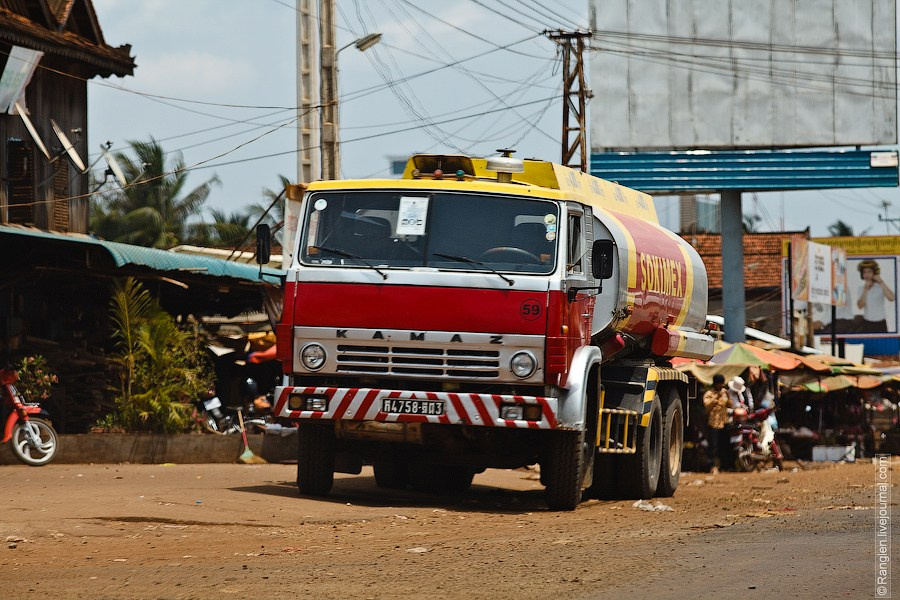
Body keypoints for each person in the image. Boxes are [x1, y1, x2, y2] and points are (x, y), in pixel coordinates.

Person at [703, 373, 732, 474]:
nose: (721, 386)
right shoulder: (709, 393)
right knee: (713, 446)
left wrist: (728, 397)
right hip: (714, 423)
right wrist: (716, 399)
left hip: (724, 422)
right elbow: (706, 406)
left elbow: (730, 404)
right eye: (719, 383)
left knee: (724, 445)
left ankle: (726, 465)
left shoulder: (725, 392)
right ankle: (712, 466)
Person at [856, 259, 895, 333]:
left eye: (869, 272)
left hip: (881, 323)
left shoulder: (881, 286)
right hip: (867, 323)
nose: (867, 274)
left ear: (874, 273)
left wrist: (881, 282)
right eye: (864, 272)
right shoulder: (861, 289)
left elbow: (892, 298)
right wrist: (866, 289)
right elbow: (860, 306)